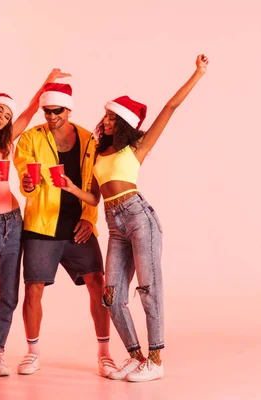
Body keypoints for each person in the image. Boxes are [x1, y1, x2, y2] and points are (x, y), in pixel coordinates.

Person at [59, 54, 209, 382]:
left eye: (113, 118)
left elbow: (169, 108)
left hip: (139, 217)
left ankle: (155, 359)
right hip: (114, 224)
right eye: (106, 117)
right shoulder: (100, 152)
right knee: (110, 294)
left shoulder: (136, 147)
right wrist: (72, 188)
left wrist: (196, 74)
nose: (106, 122)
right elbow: (96, 198)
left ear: (124, 124)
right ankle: (135, 356)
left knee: (148, 287)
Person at [0, 69, 71, 378]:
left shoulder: (4, 144)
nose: (3, 117)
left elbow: (32, 111)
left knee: (8, 292)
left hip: (13, 223)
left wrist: (46, 82)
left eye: (7, 115)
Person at [13, 83, 117, 377]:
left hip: (79, 226)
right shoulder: (31, 138)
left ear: (68, 109)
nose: (50, 116)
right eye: (46, 111)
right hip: (41, 225)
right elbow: (23, 173)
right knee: (33, 288)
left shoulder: (88, 140)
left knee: (98, 283)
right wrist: (27, 184)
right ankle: (32, 353)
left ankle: (104, 353)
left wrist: (90, 218)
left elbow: (95, 183)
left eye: (56, 111)